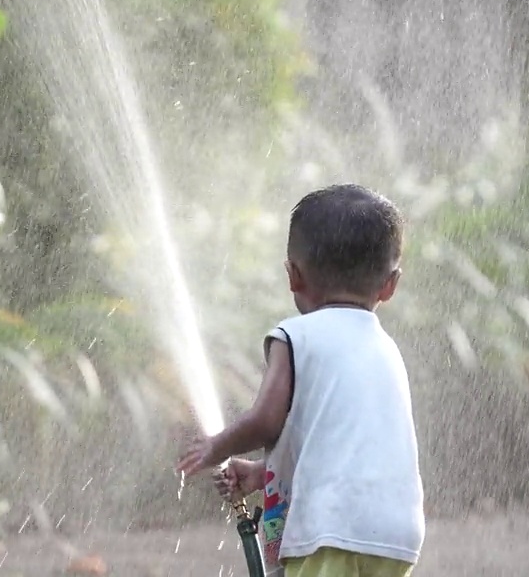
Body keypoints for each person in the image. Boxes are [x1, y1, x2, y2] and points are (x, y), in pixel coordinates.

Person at [177, 183, 425, 577]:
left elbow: (265, 421)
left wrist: (215, 446)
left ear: (293, 274)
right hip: (395, 536)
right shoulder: (386, 350)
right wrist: (263, 474)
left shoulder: (295, 336)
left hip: (332, 529)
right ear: (390, 285)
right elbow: (344, 447)